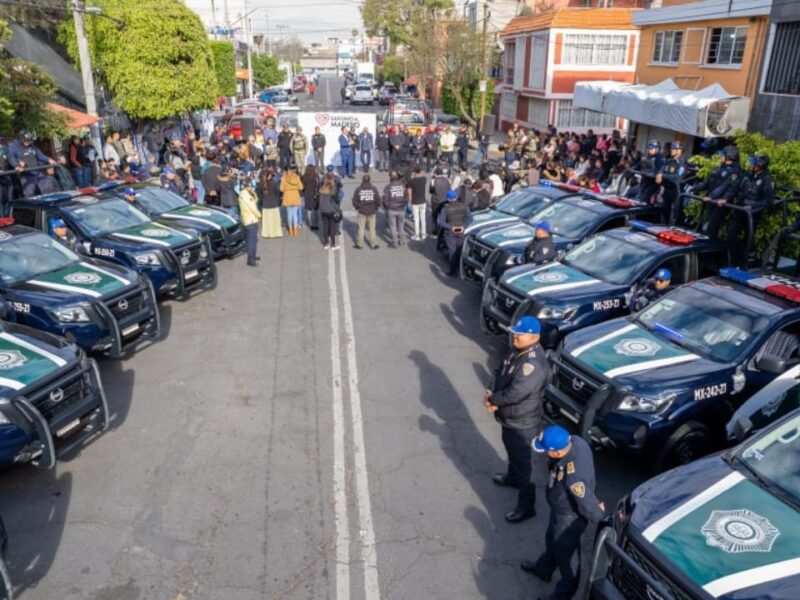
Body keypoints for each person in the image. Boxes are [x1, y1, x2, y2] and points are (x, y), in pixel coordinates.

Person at [522, 425, 604, 600]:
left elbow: (589, 505)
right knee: (551, 540)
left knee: (565, 559)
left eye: (546, 451)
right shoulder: (576, 442)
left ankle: (561, 596)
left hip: (569, 519)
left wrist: (597, 512)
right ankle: (543, 569)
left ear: (556, 453)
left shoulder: (574, 478)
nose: (544, 454)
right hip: (559, 511)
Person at [484, 316, 550, 523]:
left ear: (533, 337)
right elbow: (500, 370)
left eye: (519, 335)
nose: (515, 337)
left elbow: (517, 392)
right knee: (511, 449)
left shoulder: (533, 364)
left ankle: (526, 506)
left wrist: (494, 400)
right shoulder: (517, 350)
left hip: (522, 421)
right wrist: (491, 389)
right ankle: (512, 477)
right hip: (510, 417)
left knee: (525, 466)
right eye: (515, 333)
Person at [697, 146, 742, 239]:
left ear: (729, 156)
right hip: (713, 201)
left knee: (712, 227)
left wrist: (716, 197)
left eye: (723, 155)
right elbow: (708, 181)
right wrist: (694, 188)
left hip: (721, 203)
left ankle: (710, 250)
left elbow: (728, 187)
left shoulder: (735, 172)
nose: (720, 156)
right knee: (705, 226)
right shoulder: (720, 167)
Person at [7, 131, 56, 197]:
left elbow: (40, 155)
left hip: (37, 171)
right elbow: (10, 157)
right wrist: (16, 165)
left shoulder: (32, 145)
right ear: (20, 138)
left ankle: (48, 205)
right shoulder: (13, 146)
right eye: (26, 141)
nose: (28, 142)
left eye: (29, 141)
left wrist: (49, 159)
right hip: (26, 174)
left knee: (48, 188)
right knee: (30, 193)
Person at [438, 189, 472, 276]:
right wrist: (463, 226)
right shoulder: (464, 206)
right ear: (456, 197)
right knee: (459, 250)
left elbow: (441, 222)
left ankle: (453, 271)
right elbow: (470, 219)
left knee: (452, 251)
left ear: (448, 199)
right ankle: (459, 269)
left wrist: (451, 227)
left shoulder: (445, 208)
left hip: (450, 232)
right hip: (461, 231)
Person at [658, 140, 687, 224]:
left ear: (679, 151)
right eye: (671, 149)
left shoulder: (682, 163)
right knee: (664, 209)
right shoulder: (669, 161)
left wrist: (663, 176)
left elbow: (678, 177)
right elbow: (661, 171)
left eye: (674, 149)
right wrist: (660, 175)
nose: (671, 151)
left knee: (677, 212)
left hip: (676, 190)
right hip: (667, 189)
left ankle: (679, 228)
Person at [352, 174, 381, 250]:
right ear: (369, 180)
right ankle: (374, 244)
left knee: (361, 228)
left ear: (362, 180)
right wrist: (376, 208)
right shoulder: (374, 189)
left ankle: (360, 244)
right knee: (372, 229)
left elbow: (354, 201)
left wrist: (357, 207)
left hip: (362, 211)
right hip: (372, 211)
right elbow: (378, 200)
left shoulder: (358, 189)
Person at [238, 177, 261, 266]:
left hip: (247, 219)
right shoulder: (246, 195)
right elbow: (252, 207)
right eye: (251, 186)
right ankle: (251, 260)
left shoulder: (243, 194)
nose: (251, 187)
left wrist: (255, 198)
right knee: (252, 241)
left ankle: (253, 256)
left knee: (252, 240)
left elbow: (251, 204)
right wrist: (259, 215)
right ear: (248, 186)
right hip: (251, 220)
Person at [383, 171, 408, 248]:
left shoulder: (388, 187)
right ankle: (402, 241)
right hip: (401, 209)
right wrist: (403, 204)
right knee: (401, 226)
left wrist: (387, 207)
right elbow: (406, 197)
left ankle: (395, 243)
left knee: (393, 227)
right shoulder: (403, 186)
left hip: (391, 209)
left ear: (390, 178)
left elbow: (385, 200)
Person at [280, 165, 304, 237]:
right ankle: (295, 230)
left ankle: (290, 231)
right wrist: (295, 187)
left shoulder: (283, 178)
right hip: (295, 197)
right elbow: (301, 187)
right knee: (295, 215)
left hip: (287, 197)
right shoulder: (297, 177)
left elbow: (281, 189)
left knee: (289, 215)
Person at [318, 175, 341, 250]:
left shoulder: (322, 188)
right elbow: (337, 200)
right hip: (330, 210)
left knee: (325, 226)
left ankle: (326, 243)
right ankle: (333, 245)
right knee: (332, 227)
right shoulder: (332, 189)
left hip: (323, 210)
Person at [259, 168, 283, 239]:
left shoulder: (261, 184)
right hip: (273, 203)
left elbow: (260, 194)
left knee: (266, 221)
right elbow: (277, 192)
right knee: (274, 220)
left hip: (265, 204)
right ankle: (274, 233)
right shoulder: (274, 183)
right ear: (269, 175)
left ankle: (266, 233)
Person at [407, 167, 428, 241]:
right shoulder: (424, 179)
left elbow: (409, 192)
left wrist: (410, 200)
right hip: (423, 201)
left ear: (414, 172)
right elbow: (423, 175)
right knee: (423, 218)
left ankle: (417, 235)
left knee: (416, 219)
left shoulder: (411, 181)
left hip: (415, 202)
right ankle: (424, 234)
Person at [301, 165, 319, 231]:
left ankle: (311, 224)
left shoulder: (303, 177)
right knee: (316, 211)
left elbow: (302, 187)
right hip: (315, 195)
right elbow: (318, 185)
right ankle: (316, 224)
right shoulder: (316, 177)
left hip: (307, 195)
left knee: (309, 211)